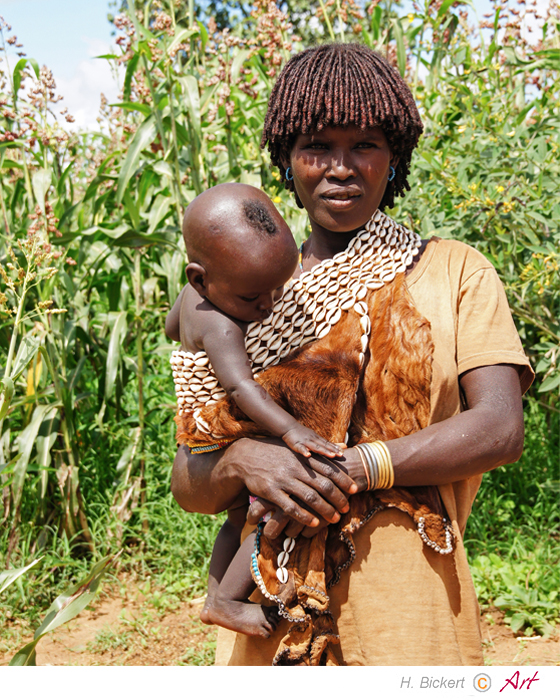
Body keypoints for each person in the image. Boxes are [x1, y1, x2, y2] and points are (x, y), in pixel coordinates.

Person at [169, 43, 534, 665]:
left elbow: (500, 428)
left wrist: (355, 467)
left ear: (395, 159)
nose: (342, 167)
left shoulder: (456, 273)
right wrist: (247, 462)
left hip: (409, 624)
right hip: (273, 624)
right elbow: (190, 482)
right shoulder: (242, 295)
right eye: (317, 145)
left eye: (365, 145)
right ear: (286, 158)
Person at [166, 183, 344, 638]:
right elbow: (244, 390)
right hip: (221, 426)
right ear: (199, 279)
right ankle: (226, 599)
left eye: (276, 290)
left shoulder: (194, 300)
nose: (267, 307)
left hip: (200, 422)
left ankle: (217, 599)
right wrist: (291, 431)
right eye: (252, 299)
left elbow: (172, 329)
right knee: (268, 507)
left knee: (234, 519)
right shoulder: (222, 326)